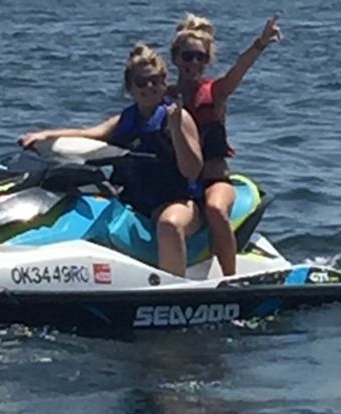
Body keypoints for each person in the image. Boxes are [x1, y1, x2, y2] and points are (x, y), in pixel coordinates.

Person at [19, 43, 203, 277]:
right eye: (141, 82)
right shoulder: (125, 120)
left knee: (168, 225)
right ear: (130, 88)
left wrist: (176, 130)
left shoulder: (178, 117)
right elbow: (87, 134)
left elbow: (192, 171)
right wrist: (45, 136)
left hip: (176, 201)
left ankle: (175, 291)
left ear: (164, 82)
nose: (149, 87)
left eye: (156, 81)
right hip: (136, 200)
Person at [169, 13, 281, 276]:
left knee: (216, 209)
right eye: (188, 56)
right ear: (175, 58)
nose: (194, 63)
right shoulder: (165, 97)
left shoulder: (216, 92)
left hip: (216, 181)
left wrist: (260, 43)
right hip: (178, 184)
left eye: (201, 57)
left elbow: (239, 70)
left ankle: (230, 279)